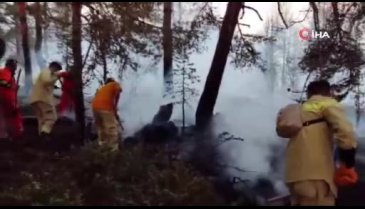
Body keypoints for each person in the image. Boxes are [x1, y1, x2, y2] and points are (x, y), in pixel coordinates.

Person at [282, 80, 358, 206]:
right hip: (317, 176)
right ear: (328, 93)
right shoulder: (324, 103)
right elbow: (346, 131)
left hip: (294, 177)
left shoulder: (301, 110)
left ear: (308, 94)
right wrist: (348, 163)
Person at [29, 61, 62, 140]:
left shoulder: (45, 73)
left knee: (42, 119)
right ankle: (45, 133)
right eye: (57, 69)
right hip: (43, 99)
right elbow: (46, 81)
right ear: (54, 67)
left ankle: (41, 136)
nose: (57, 71)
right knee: (51, 118)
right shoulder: (46, 72)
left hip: (36, 99)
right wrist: (57, 77)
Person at [91, 78, 122, 151]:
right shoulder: (114, 84)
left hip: (95, 107)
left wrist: (114, 109)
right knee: (111, 127)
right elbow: (118, 92)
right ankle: (113, 149)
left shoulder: (102, 88)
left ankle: (102, 146)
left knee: (101, 127)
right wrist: (115, 108)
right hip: (105, 107)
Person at [0, 58, 23, 140]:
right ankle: (9, 134)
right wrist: (10, 86)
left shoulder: (10, 75)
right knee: (9, 117)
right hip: (5, 100)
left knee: (10, 116)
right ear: (10, 65)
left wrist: (14, 87)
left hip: (9, 100)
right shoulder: (5, 72)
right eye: (14, 66)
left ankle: (12, 134)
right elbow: (2, 82)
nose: (16, 68)